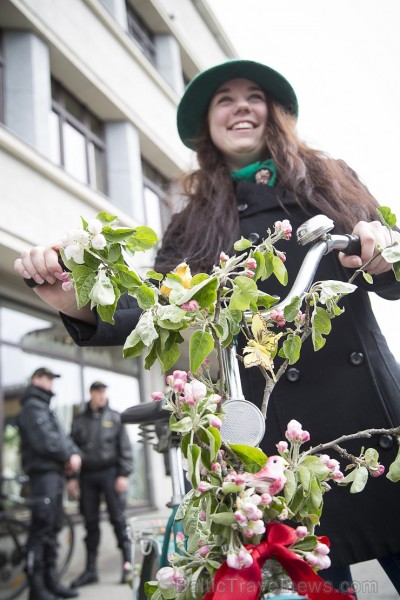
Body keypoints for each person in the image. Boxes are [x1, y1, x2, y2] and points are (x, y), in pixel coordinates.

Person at [14, 59, 400, 594]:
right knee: (308, 567)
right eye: (225, 99)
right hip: (273, 432)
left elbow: (389, 262)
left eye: (252, 96)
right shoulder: (192, 221)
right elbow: (157, 311)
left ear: (274, 113)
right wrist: (76, 301)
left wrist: (383, 249)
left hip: (369, 418)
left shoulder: (327, 178)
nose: (240, 105)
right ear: (208, 128)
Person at [17, 367, 81, 600]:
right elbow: (46, 441)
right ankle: (37, 588)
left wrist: (73, 454)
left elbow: (62, 438)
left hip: (53, 475)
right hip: (42, 476)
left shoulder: (44, 407)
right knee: (41, 529)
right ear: (36, 379)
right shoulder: (32, 407)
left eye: (53, 379)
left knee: (52, 528)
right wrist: (68, 456)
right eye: (48, 378)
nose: (51, 383)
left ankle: (50, 581)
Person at [67, 381, 134, 587]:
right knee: (90, 523)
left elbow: (125, 448)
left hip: (111, 474)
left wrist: (123, 474)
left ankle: (128, 567)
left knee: (118, 520)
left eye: (104, 391)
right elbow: (71, 449)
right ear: (91, 394)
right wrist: (71, 478)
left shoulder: (115, 417)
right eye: (98, 391)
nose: (101, 395)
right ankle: (90, 571)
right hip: (87, 476)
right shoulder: (79, 420)